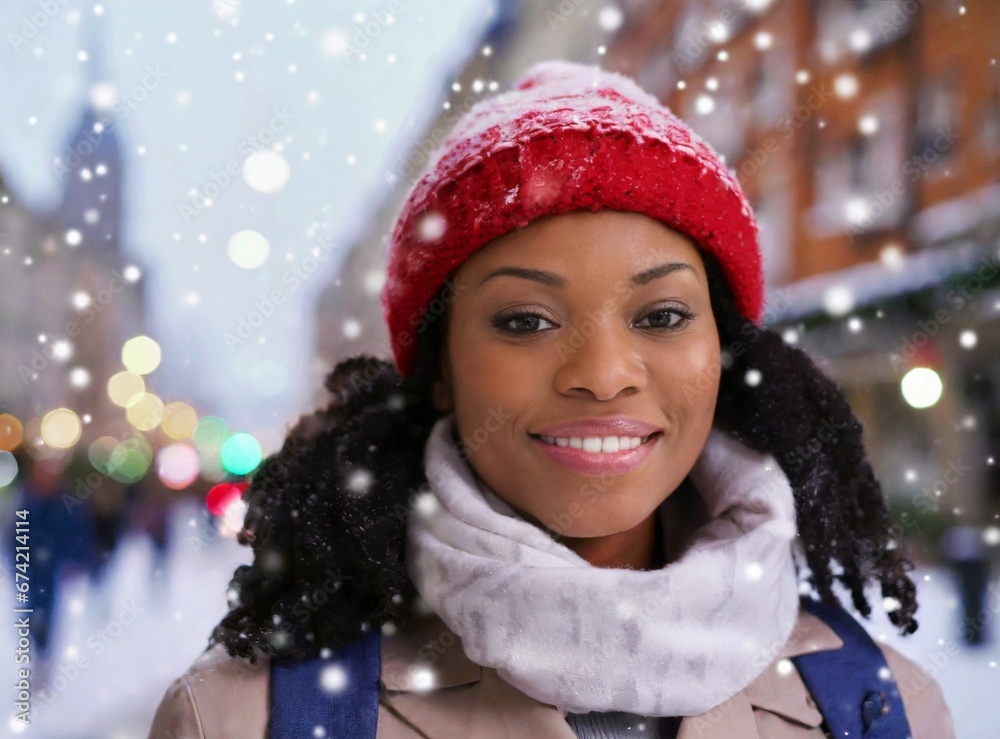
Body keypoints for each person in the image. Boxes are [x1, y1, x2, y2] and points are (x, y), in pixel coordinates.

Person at [149, 60, 956, 738]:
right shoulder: (239, 717)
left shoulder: (883, 708)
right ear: (441, 367)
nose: (603, 373)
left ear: (720, 351)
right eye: (526, 320)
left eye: (663, 315)